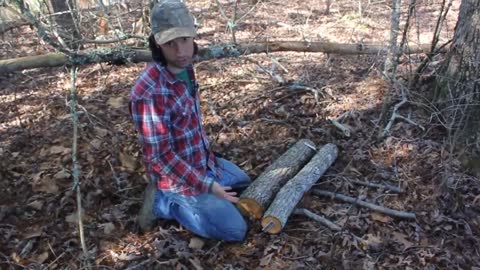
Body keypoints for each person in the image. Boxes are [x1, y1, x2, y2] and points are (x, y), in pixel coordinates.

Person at [129, 0, 251, 242]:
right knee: (235, 231)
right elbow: (160, 157)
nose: (181, 51)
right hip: (177, 180)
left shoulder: (186, 67)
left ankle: (210, 185)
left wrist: (208, 176)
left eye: (185, 40)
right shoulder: (149, 92)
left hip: (202, 162)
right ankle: (163, 203)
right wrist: (208, 186)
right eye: (170, 44)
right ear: (157, 44)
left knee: (243, 182)